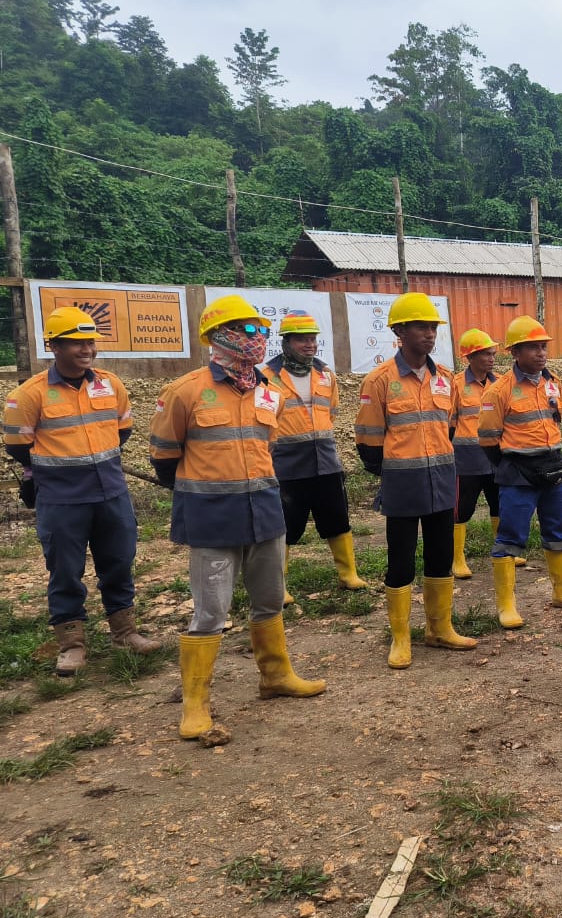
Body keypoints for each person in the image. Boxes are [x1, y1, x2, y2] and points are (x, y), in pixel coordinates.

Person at [150, 294, 325, 740]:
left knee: (269, 599)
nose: (257, 338)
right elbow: (165, 458)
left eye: (260, 330)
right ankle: (196, 703)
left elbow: (263, 448)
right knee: (210, 612)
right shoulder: (185, 391)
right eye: (246, 330)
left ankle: (275, 676)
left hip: (265, 511)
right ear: (217, 336)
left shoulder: (269, 391)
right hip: (212, 516)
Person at [4, 307, 159, 676]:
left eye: (89, 342)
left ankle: (125, 633)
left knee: (119, 562)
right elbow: (17, 446)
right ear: (54, 346)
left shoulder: (111, 384)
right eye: (75, 343)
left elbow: (122, 433)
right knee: (65, 571)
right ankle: (72, 645)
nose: (86, 349)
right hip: (61, 499)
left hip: (110, 493)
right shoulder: (29, 394)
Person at [355, 292, 476, 668]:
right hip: (402, 485)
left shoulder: (445, 380)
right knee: (401, 561)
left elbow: (451, 427)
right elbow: (369, 443)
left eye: (432, 327)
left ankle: (439, 628)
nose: (429, 334)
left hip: (441, 480)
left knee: (441, 557)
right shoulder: (379, 381)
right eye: (421, 327)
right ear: (399, 331)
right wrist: (396, 471)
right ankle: (401, 636)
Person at [478, 315, 562, 628]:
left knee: (558, 530)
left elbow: (556, 418)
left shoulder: (552, 381)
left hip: (552, 468)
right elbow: (488, 439)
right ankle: (506, 606)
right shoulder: (499, 391)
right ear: (515, 352)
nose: (541, 353)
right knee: (510, 537)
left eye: (543, 347)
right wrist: (510, 465)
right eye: (533, 348)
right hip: (518, 474)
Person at [261, 310, 367, 606]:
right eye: (301, 340)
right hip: (286, 464)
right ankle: (277, 586)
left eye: (312, 339)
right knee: (284, 526)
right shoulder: (267, 377)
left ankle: (348, 574)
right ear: (286, 342)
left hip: (325, 460)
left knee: (337, 519)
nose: (309, 345)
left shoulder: (325, 375)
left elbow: (330, 412)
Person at [449, 327, 513, 579]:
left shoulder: (500, 384)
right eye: (485, 353)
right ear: (470, 356)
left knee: (500, 505)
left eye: (492, 353)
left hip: (496, 458)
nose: (491, 358)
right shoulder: (456, 385)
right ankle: (457, 558)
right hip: (466, 460)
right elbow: (449, 424)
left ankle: (504, 550)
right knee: (461, 509)